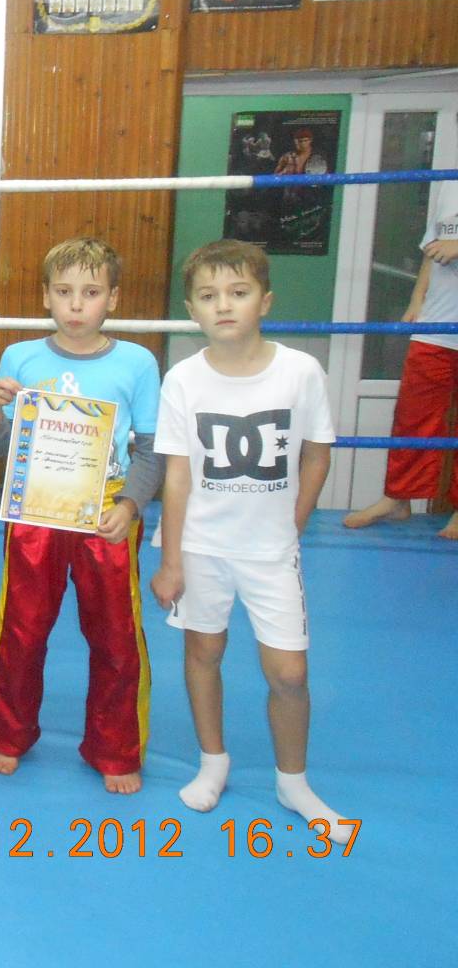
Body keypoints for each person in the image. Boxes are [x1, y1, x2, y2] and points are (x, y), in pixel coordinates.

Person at [149, 240, 352, 842]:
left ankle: (294, 782)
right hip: (202, 546)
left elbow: (317, 453)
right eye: (208, 296)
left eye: (238, 293)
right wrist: (170, 560)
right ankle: (213, 760)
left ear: (265, 300)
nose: (224, 305)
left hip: (270, 551)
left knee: (289, 672)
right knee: (203, 652)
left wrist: (295, 522)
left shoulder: (300, 371)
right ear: (192, 309)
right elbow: (177, 475)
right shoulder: (183, 379)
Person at [0, 237, 162, 794]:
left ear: (113, 298)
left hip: (106, 513)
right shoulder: (21, 358)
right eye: (63, 292)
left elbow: (151, 450)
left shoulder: (138, 362)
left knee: (116, 635)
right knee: (22, 627)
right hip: (36, 509)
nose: (76, 304)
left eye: (91, 292)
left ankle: (116, 746)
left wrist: (130, 506)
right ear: (46, 296)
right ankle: (9, 733)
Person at [344, 198, 458, 540]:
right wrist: (417, 299)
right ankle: (398, 497)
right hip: (436, 326)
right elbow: (431, 251)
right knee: (413, 415)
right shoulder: (449, 182)